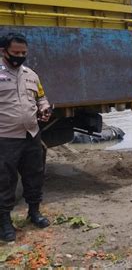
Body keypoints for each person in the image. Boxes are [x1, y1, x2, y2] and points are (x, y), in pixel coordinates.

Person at [0, 33, 52, 242]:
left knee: (34, 174)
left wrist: (45, 108)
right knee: (5, 180)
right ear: (3, 51)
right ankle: (4, 221)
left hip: (31, 134)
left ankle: (34, 212)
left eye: (24, 53)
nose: (20, 56)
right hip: (5, 137)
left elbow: (41, 97)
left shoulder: (31, 75)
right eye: (16, 53)